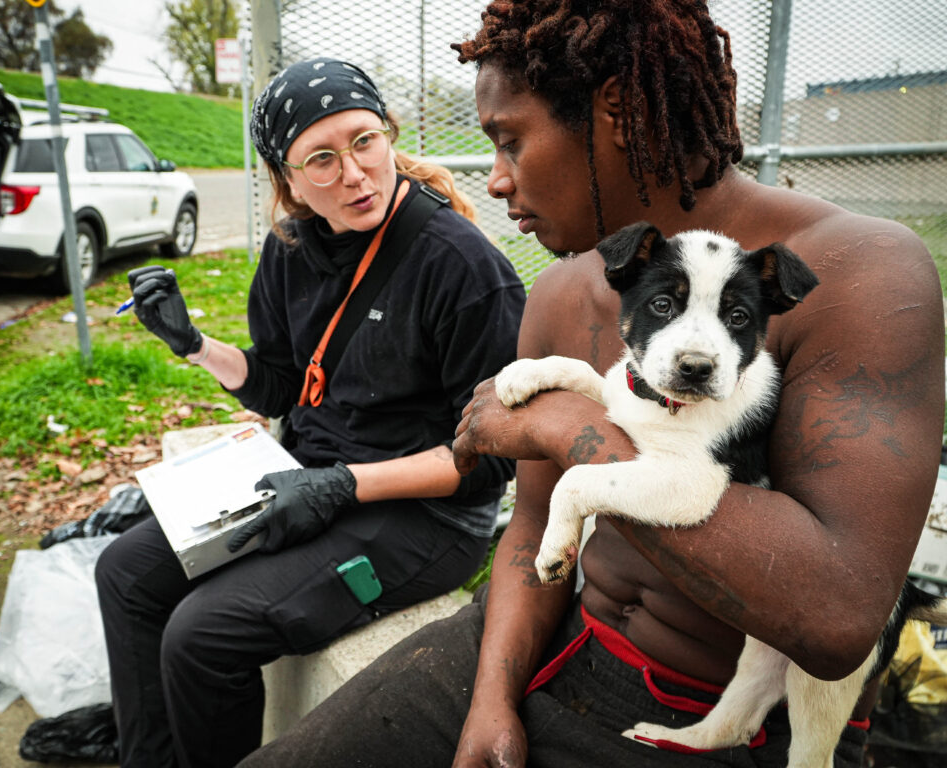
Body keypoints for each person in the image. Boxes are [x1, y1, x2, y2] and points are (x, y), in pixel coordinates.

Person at [237, 2, 945, 767]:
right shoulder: (562, 292)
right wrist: (490, 701)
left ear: (616, 109)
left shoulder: (855, 275)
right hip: (558, 642)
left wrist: (560, 425)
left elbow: (838, 618)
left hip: (736, 716)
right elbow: (532, 527)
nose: (498, 180)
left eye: (510, 140)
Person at [94, 56, 526, 768]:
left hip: (424, 516)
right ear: (287, 181)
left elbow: (490, 461)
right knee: (125, 575)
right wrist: (193, 343)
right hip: (306, 474)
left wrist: (343, 486)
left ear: (389, 136)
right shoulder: (290, 247)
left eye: (364, 141)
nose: (354, 173)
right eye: (320, 159)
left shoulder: (462, 266)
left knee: (203, 634)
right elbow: (279, 387)